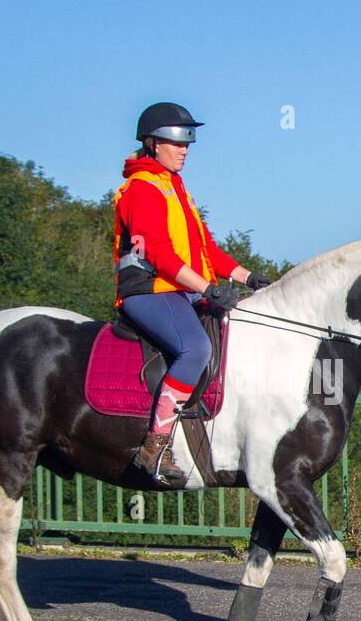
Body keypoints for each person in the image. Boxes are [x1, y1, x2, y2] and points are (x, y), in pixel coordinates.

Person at [112, 102, 272, 484]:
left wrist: (250, 279)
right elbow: (160, 255)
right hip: (149, 291)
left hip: (179, 292)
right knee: (196, 349)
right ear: (152, 143)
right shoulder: (142, 189)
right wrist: (208, 290)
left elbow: (206, 252)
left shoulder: (176, 189)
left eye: (189, 142)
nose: (185, 149)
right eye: (177, 141)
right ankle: (155, 445)